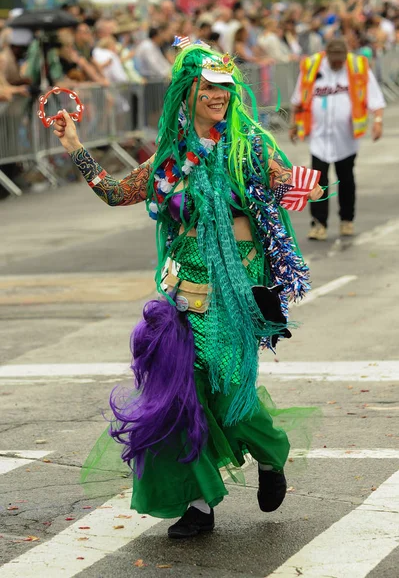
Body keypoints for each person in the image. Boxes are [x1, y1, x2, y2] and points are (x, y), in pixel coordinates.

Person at [53, 42, 323, 539]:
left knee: (227, 397)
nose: (219, 96)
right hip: (183, 294)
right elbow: (115, 192)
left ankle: (270, 454)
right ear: (189, 91)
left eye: (225, 87)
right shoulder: (171, 159)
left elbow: (292, 186)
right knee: (177, 397)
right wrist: (73, 144)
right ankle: (197, 502)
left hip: (236, 294)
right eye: (209, 88)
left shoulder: (248, 147)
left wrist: (300, 186)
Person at [289, 38, 385, 240]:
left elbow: (375, 98)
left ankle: (346, 220)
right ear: (327, 55)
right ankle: (318, 223)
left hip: (346, 139)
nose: (338, 64)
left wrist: (377, 121)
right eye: (335, 60)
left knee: (346, 179)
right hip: (319, 137)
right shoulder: (312, 66)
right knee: (317, 180)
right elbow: (299, 98)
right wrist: (293, 125)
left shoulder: (357, 66)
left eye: (341, 60)